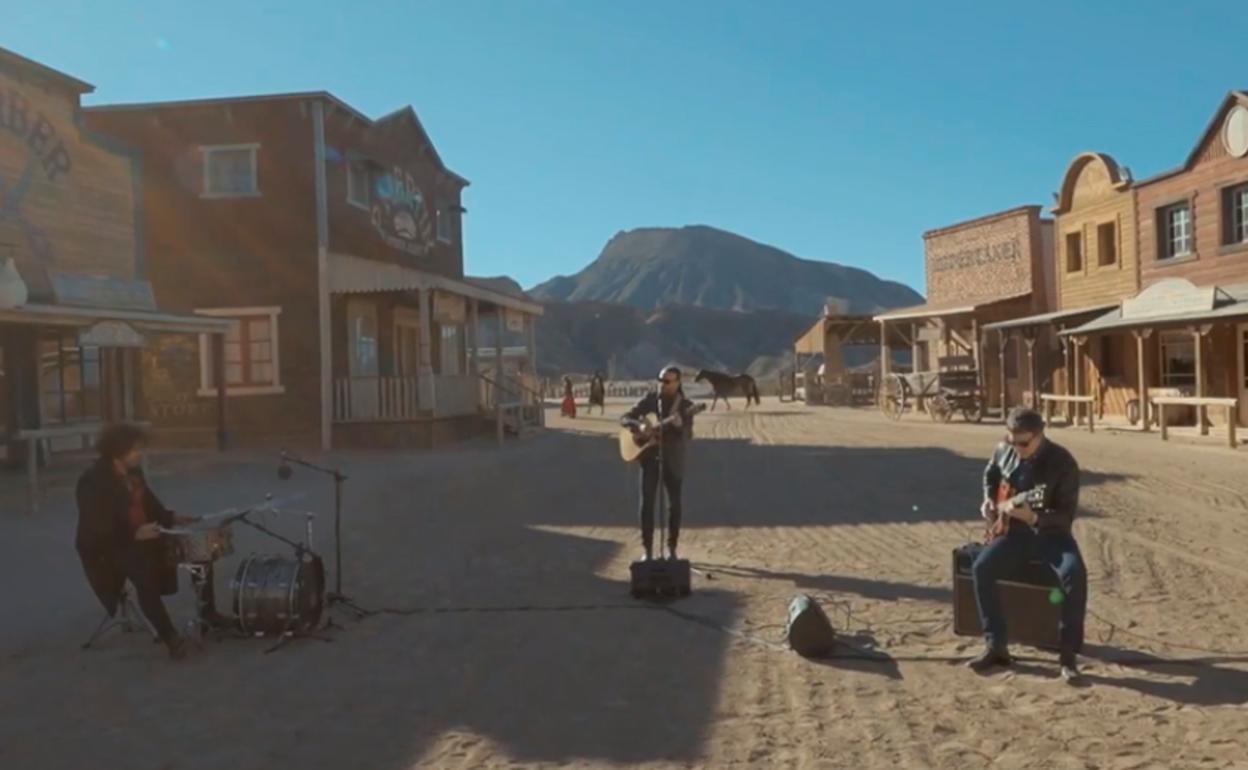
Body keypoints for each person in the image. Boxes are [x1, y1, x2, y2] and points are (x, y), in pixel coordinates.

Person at [75, 423, 223, 660]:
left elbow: (151, 506)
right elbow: (94, 528)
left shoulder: (135, 474)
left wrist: (173, 517)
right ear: (118, 451)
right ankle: (170, 637)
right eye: (134, 450)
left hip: (147, 536)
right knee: (143, 575)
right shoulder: (92, 482)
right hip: (109, 547)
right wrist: (134, 534)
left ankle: (209, 614)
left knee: (200, 550)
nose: (139, 454)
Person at [967, 407, 1088, 683]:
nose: (1017, 448)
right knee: (981, 567)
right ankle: (995, 645)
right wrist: (988, 500)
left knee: (1074, 573)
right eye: (1012, 441)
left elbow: (1065, 516)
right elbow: (991, 473)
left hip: (1052, 535)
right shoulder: (1004, 450)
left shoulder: (1062, 463)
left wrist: (1034, 516)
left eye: (1024, 443)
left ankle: (1068, 659)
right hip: (1015, 533)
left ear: (1040, 435)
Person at [621, 365, 697, 561]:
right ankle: (647, 550)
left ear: (677, 383)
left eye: (667, 381)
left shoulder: (684, 407)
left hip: (673, 459)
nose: (662, 384)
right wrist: (640, 425)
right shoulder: (651, 400)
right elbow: (625, 418)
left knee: (674, 504)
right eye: (660, 380)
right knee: (647, 503)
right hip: (649, 459)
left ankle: (671, 549)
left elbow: (688, 435)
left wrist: (680, 427)